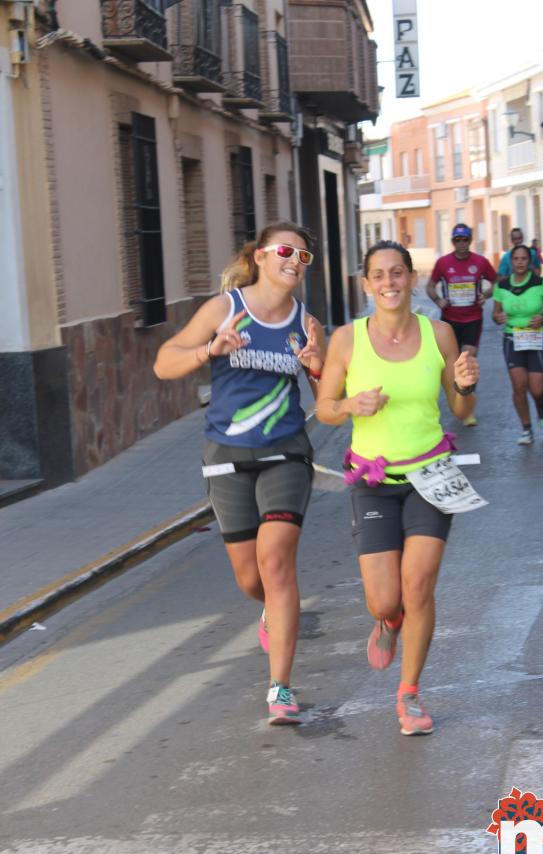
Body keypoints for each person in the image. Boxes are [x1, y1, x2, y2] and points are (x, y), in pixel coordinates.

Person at [154, 221, 326, 725]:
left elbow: (330, 403)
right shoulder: (224, 309)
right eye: (285, 251)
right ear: (259, 256)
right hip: (226, 453)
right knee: (251, 578)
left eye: (303, 256)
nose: (294, 261)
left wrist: (317, 367)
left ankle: (282, 688)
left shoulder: (307, 323)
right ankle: (271, 609)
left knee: (276, 564)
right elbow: (165, 362)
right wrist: (210, 350)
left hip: (286, 452)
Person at [316, 240, 480, 736]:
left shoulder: (440, 335)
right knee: (385, 600)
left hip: (432, 476)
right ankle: (388, 623)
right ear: (366, 285)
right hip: (373, 482)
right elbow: (324, 406)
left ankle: (409, 693)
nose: (388, 283)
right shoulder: (346, 340)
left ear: (411, 278)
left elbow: (463, 412)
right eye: (378, 275)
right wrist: (349, 406)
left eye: (397, 273)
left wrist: (468, 384)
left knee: (420, 585)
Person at [426, 223, 496, 427]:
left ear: (470, 240)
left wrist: (485, 295)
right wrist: (438, 300)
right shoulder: (443, 263)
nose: (462, 243)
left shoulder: (480, 262)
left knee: (467, 360)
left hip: (473, 319)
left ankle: (467, 410)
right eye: (458, 240)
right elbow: (430, 286)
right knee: (452, 364)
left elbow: (497, 281)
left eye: (465, 239)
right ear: (453, 242)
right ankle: (455, 400)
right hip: (450, 321)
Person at [492, 244, 543, 445]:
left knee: (537, 389)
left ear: (529, 262)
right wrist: (498, 317)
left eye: (523, 259)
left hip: (537, 338)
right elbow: (495, 314)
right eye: (516, 259)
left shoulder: (541, 283)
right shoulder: (501, 286)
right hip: (512, 338)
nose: (520, 262)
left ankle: (541, 405)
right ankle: (526, 429)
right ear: (511, 262)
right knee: (519, 387)